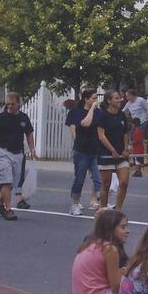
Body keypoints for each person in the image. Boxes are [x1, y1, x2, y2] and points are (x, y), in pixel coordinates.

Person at [0, 92, 37, 222]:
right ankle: (8, 209)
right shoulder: (0, 118)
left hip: (18, 153)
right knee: (6, 181)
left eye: (13, 104)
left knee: (11, 183)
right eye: (8, 104)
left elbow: (29, 134)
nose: (10, 107)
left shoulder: (24, 118)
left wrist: (32, 149)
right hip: (3, 153)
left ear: (18, 103)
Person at [70, 209, 129, 294]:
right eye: (123, 227)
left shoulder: (90, 243)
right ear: (111, 229)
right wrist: (126, 274)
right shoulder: (110, 249)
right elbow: (115, 286)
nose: (127, 231)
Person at [66, 88, 103, 216]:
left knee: (98, 178)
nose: (95, 101)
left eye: (96, 98)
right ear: (86, 99)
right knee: (79, 178)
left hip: (94, 150)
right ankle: (75, 204)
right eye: (93, 98)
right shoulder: (78, 112)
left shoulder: (98, 113)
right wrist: (92, 109)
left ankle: (101, 202)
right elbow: (85, 123)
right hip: (81, 150)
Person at [97, 89, 131, 211]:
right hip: (106, 153)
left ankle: (118, 210)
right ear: (109, 101)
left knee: (124, 182)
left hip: (121, 154)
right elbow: (101, 135)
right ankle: (103, 210)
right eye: (116, 98)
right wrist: (112, 150)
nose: (119, 100)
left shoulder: (122, 115)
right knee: (106, 185)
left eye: (119, 98)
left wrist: (126, 149)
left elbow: (125, 134)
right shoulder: (102, 115)